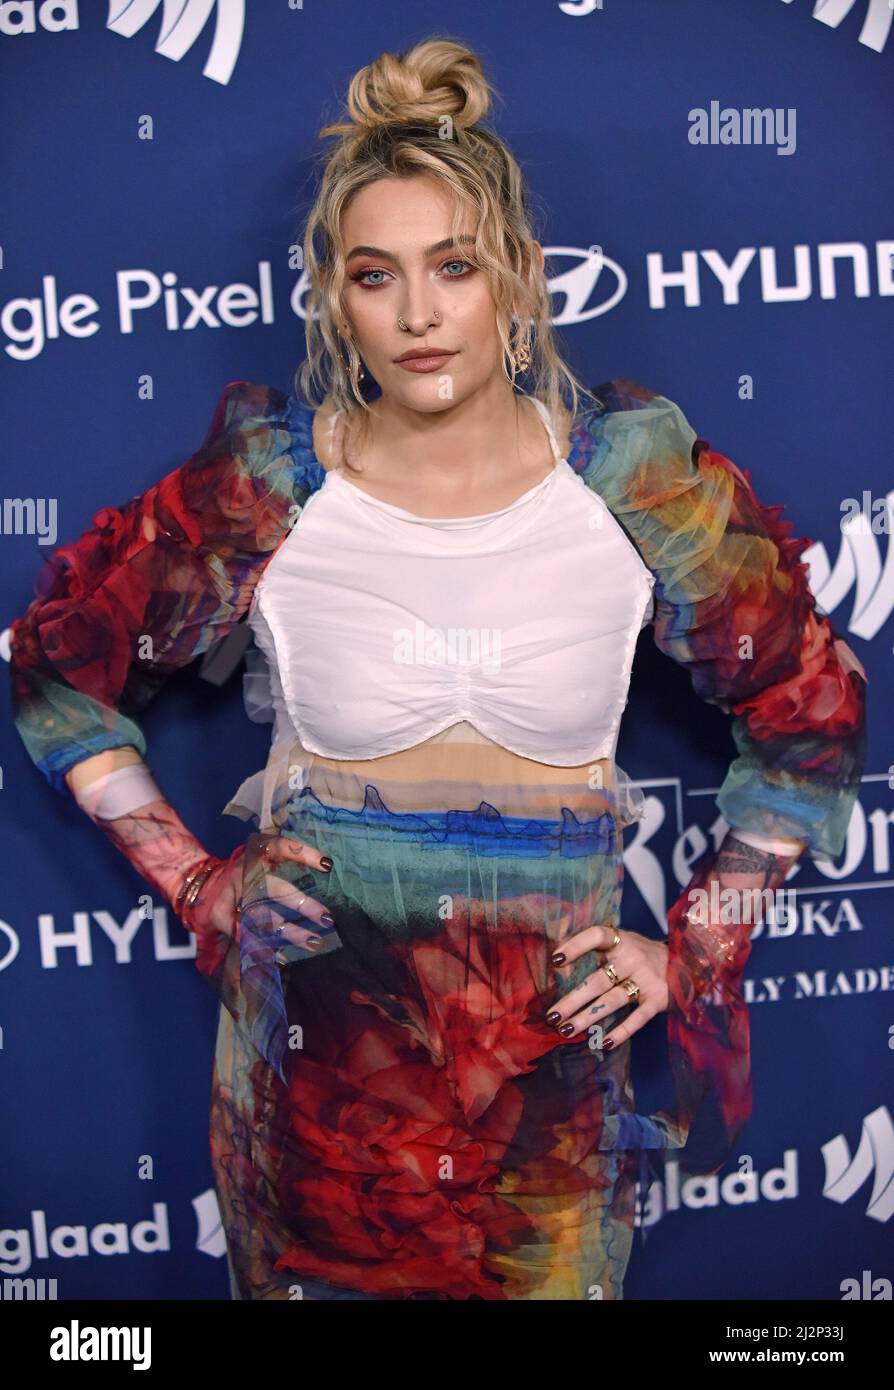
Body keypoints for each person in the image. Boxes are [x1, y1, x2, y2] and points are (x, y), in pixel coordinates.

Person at [9, 37, 868, 1301]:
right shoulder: (270, 488)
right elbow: (55, 677)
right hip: (315, 1088)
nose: (418, 315)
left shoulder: (636, 485)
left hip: (550, 1106)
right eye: (377, 276)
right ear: (334, 298)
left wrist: (694, 950)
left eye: (453, 268)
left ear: (515, 279)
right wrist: (198, 883)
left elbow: (809, 723)